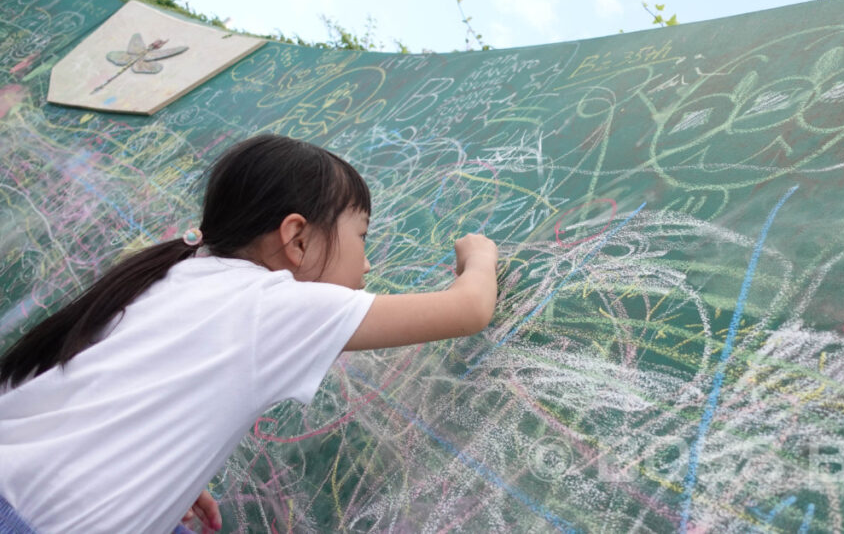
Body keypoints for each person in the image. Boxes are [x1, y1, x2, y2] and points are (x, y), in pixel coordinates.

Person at [0, 134, 499, 533]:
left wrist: (160, 473)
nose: (367, 262)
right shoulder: (276, 305)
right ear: (297, 238)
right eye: (361, 236)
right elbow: (468, 308)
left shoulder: (172, 273)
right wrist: (480, 255)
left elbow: (93, 392)